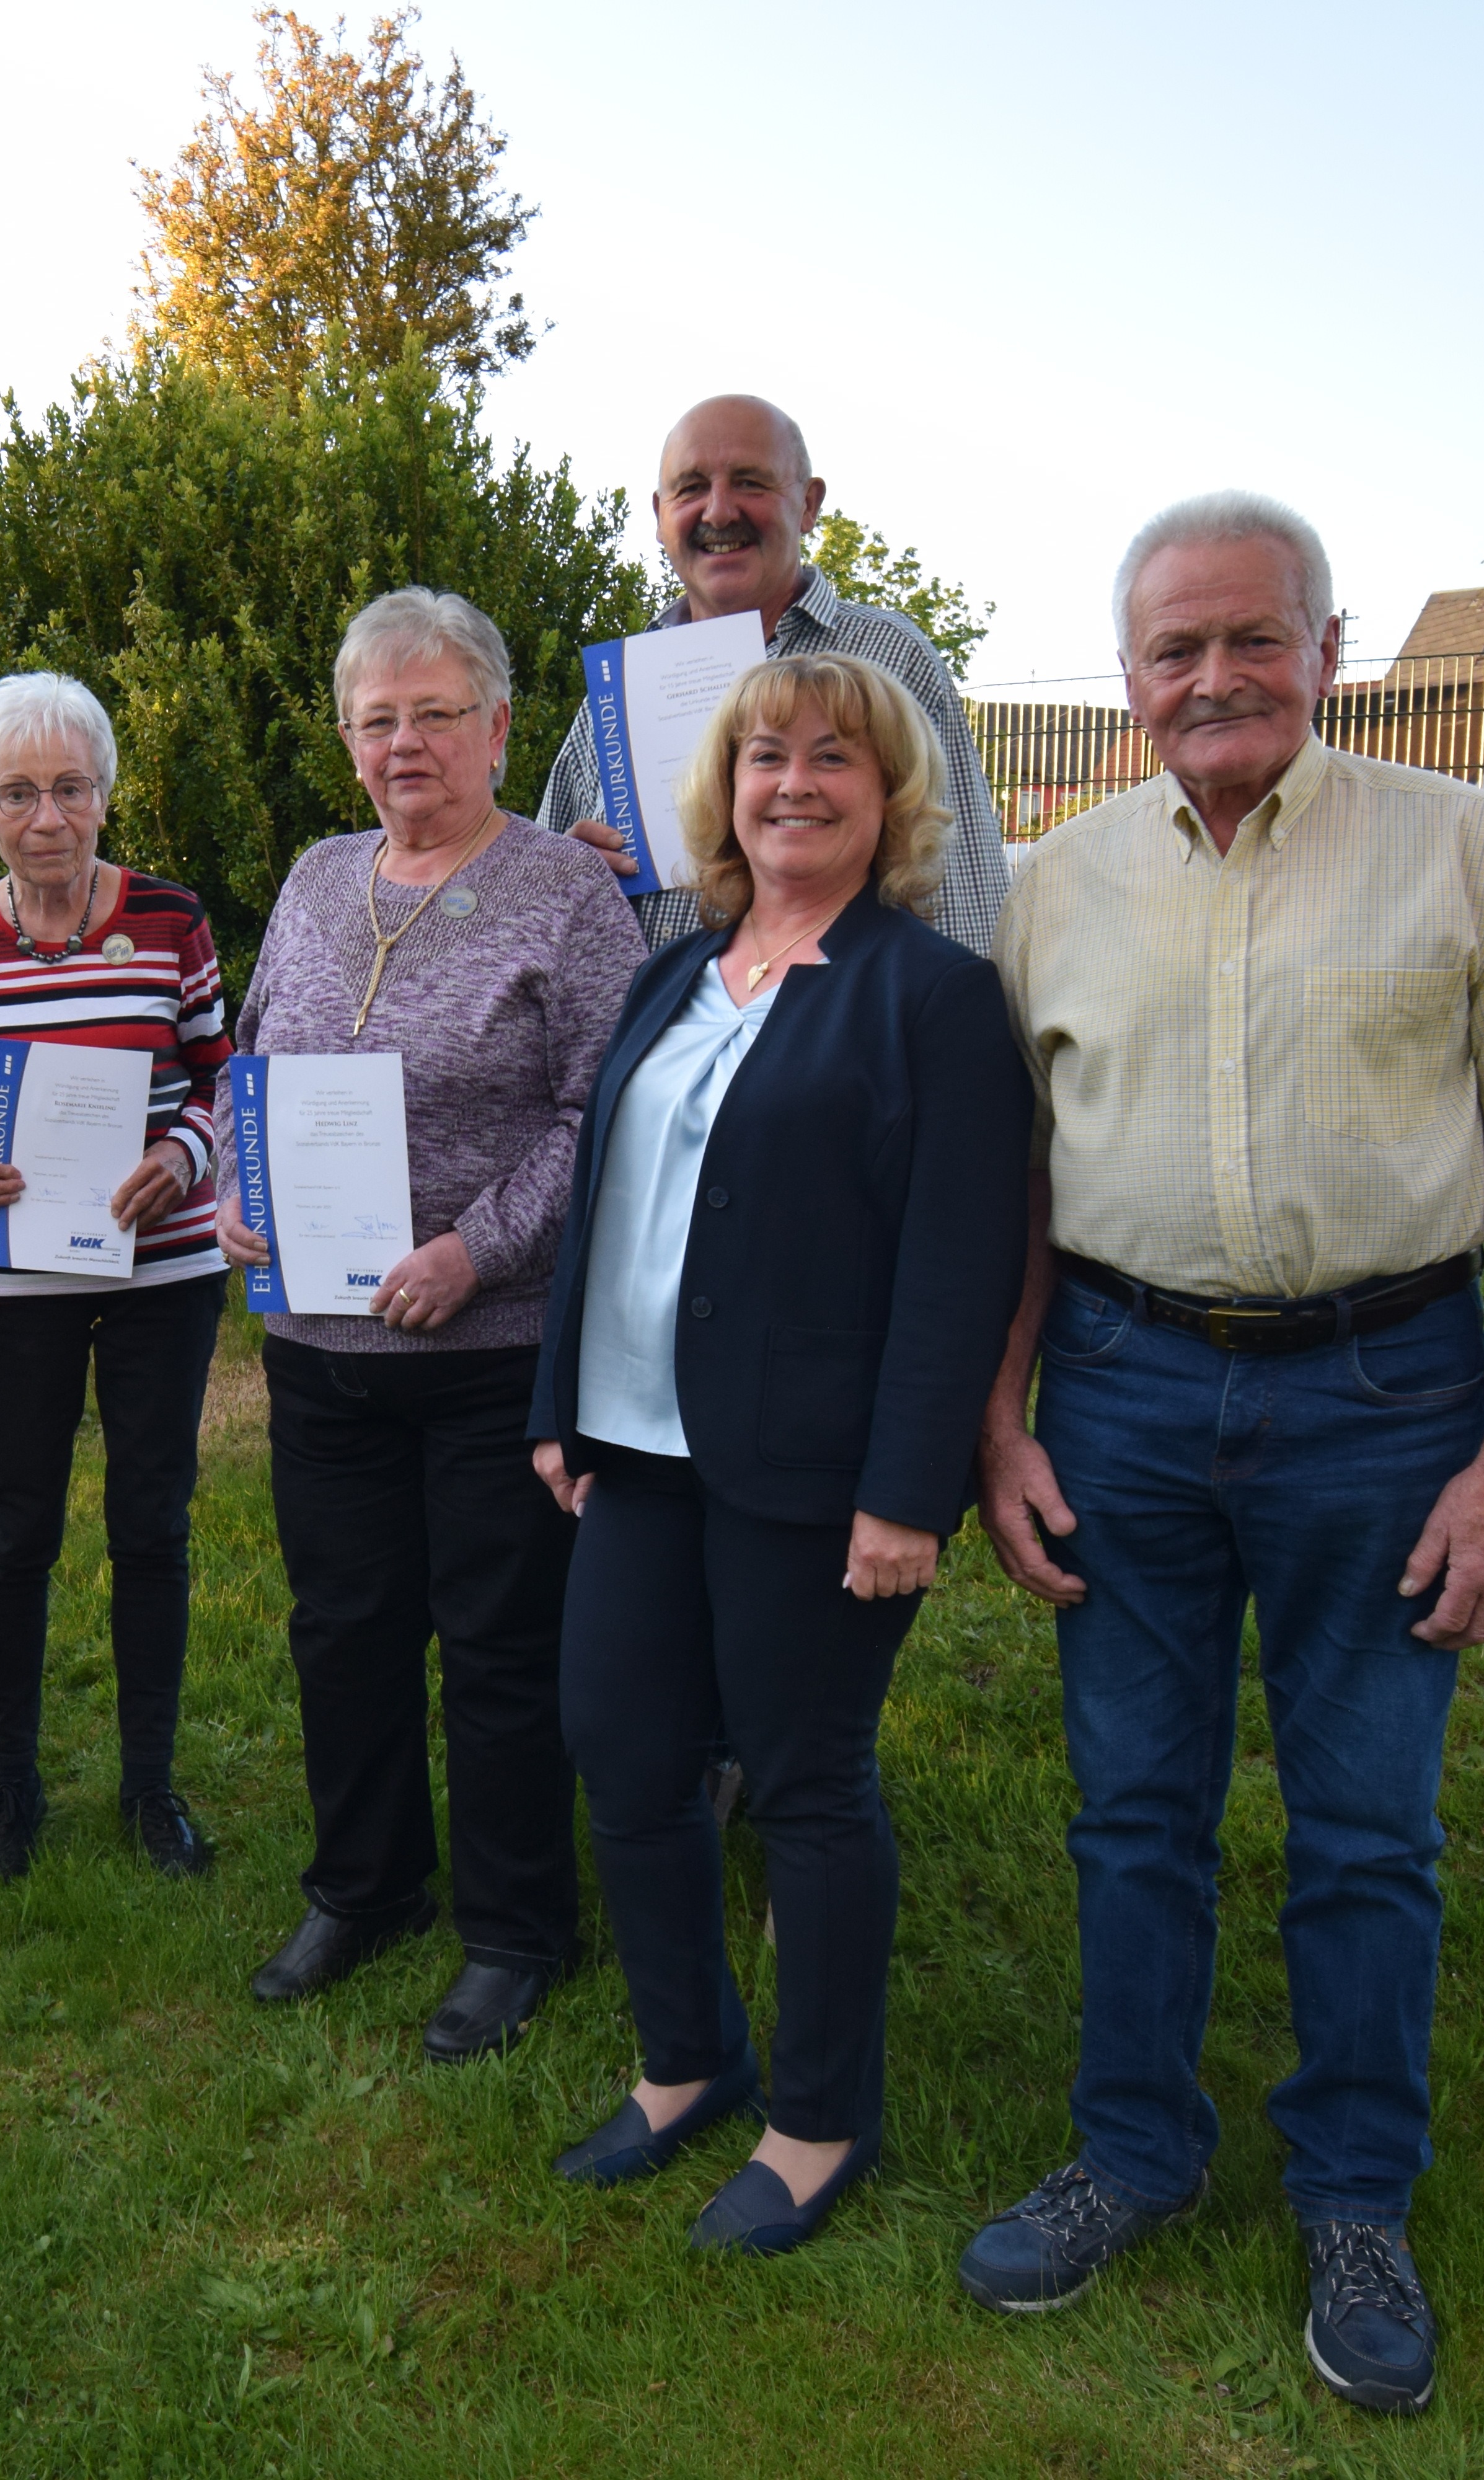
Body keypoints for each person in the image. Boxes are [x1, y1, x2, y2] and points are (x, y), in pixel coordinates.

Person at [960, 493, 1484, 2414]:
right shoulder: (1053, 883)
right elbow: (1013, 1182)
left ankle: (1353, 2193)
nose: (1211, 678)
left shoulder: (1469, 851)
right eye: (1171, 651)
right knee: (1128, 1812)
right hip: (1120, 1391)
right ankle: (1133, 2148)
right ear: (1123, 682)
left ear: (1326, 650)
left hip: (1383, 1398)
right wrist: (998, 1417)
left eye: (1249, 639)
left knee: (1364, 1829)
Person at [530, 651, 1030, 2254]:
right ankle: (687, 2058)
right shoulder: (671, 975)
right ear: (723, 791)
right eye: (765, 757)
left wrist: (907, 1489)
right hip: (640, 1443)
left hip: (816, 1468)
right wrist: (558, 1404)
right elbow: (603, 1190)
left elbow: (961, 1266)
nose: (794, 782)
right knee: (621, 1748)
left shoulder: (932, 997)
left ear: (889, 798)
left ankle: (819, 2118)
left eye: (833, 758)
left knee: (808, 1782)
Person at [216, 587, 645, 2063]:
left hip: (490, 1348)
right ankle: (364, 1884)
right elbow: (245, 1060)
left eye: (435, 713)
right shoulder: (317, 877)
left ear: (500, 728)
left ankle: (517, 1926)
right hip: (325, 1349)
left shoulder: (565, 896)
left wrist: (480, 1245)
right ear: (347, 741)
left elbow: (609, 1109)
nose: (406, 743)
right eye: (376, 718)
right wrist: (234, 1187)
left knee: (500, 1640)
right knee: (343, 1628)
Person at [0, 672, 232, 1885]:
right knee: (15, 1525)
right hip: (11, 1273)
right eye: (18, 792)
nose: (48, 815)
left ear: (105, 792)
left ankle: (151, 1783)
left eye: (70, 787)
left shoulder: (171, 917)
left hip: (165, 1262)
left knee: (152, 1520)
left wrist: (180, 1153)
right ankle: (12, 1786)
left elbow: (215, 1068)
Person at [535, 395, 1012, 957]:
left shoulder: (890, 659)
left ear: (809, 505)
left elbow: (966, 899)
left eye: (750, 483)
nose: (718, 512)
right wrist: (566, 877)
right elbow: (538, 915)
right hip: (650, 1039)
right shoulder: (618, 695)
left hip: (837, 1033)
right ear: (660, 516)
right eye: (691, 489)